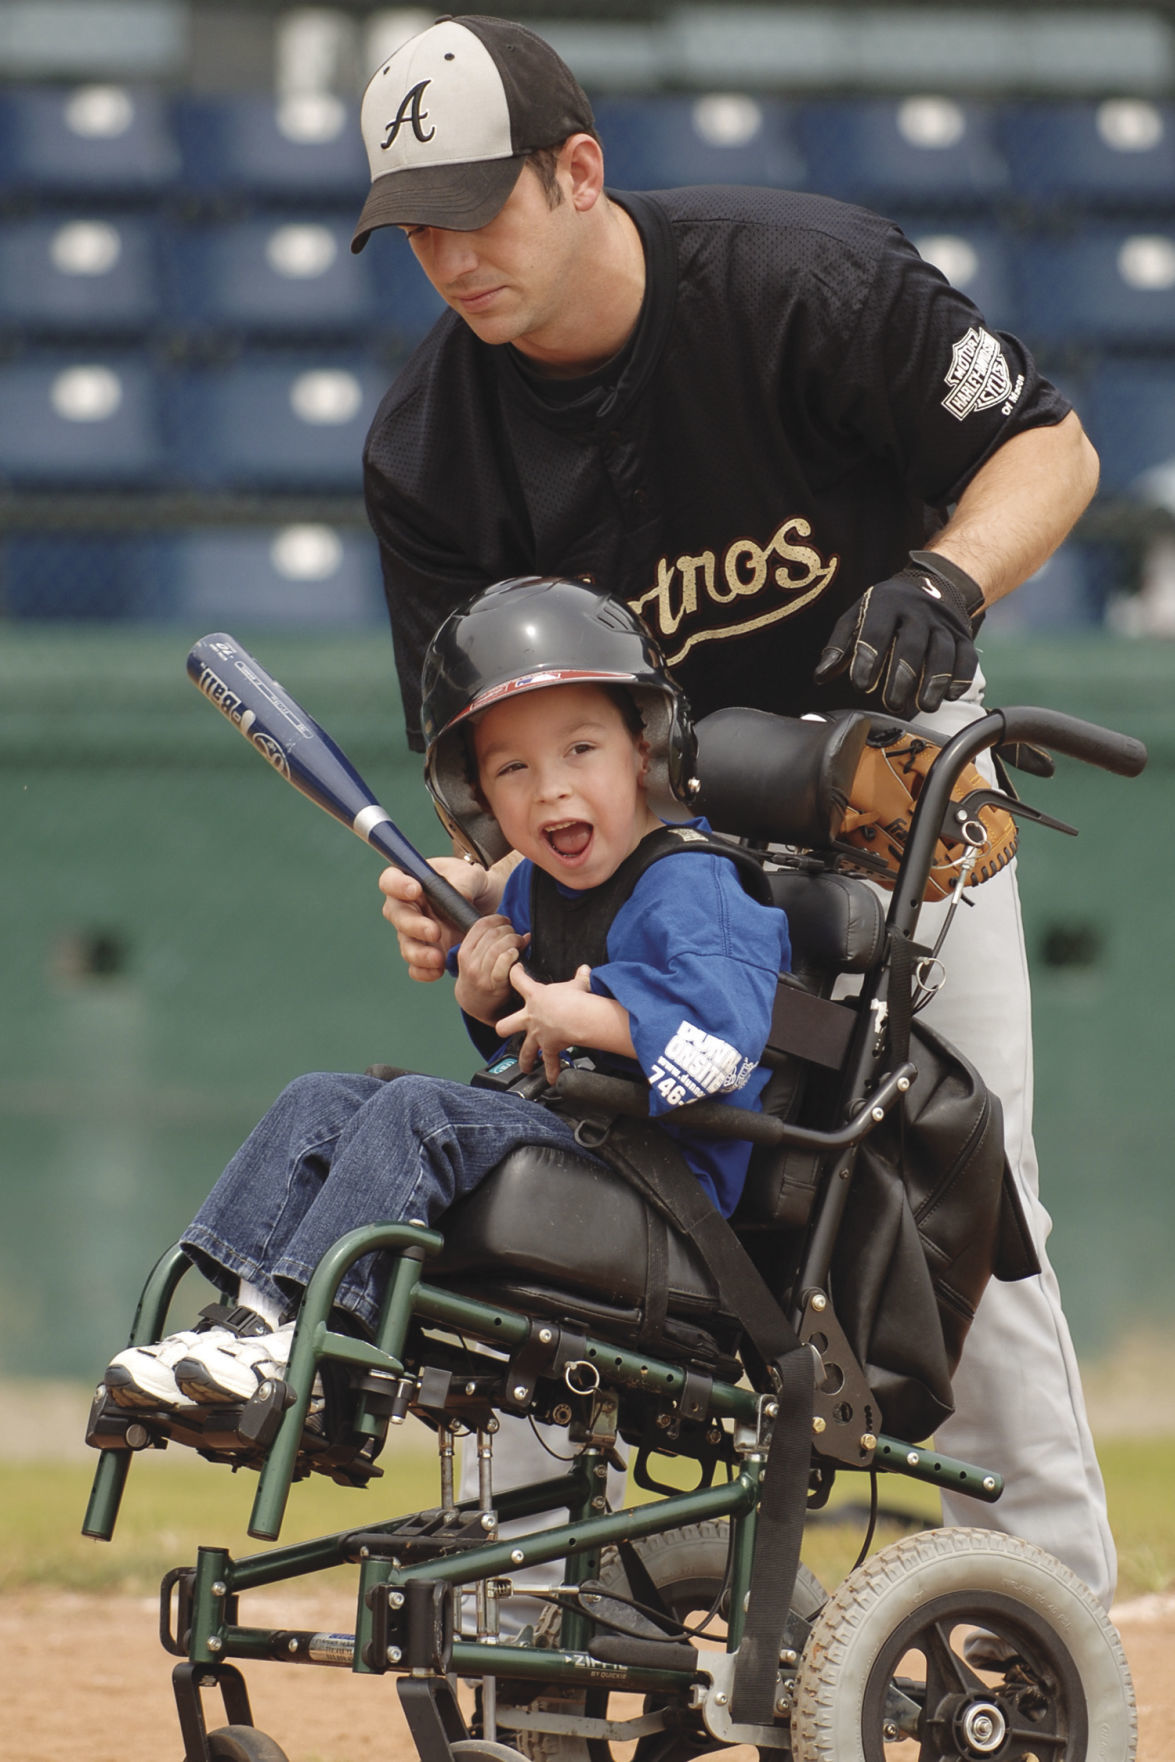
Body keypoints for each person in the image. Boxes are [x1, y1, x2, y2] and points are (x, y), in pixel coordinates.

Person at [353, 16, 1117, 1608]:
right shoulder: (430, 445)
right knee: (562, 1154)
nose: (446, 256)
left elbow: (1049, 448)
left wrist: (944, 577)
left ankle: (1036, 1605)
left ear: (578, 171)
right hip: (632, 841)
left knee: (955, 1188)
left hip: (877, 789)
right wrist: (478, 898)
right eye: (412, 223)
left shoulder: (800, 283)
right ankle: (544, 1607)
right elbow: (490, 763)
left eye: (473, 206)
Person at [102, 575, 790, 1410]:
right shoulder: (537, 886)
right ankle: (250, 1321)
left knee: (419, 1111)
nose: (551, 789)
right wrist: (482, 995)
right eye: (513, 769)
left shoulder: (695, 884)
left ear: (642, 748)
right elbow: (526, 1050)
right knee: (319, 1099)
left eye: (581, 750)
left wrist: (579, 1013)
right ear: (481, 797)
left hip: (661, 1180)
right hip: (576, 1131)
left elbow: (720, 1050)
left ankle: (322, 1341)